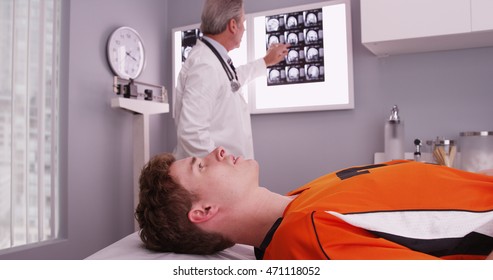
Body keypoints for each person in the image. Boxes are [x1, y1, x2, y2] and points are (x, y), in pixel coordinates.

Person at [135, 146, 493, 260]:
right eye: (201, 165)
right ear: (204, 212)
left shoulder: (298, 199)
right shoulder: (311, 235)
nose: (217, 151)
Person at [173, 0, 289, 160]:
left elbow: (230, 83)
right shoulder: (204, 65)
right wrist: (224, 170)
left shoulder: (212, 59)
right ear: (233, 25)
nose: (244, 28)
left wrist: (266, 61)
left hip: (226, 174)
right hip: (215, 179)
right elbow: (192, 133)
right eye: (244, 22)